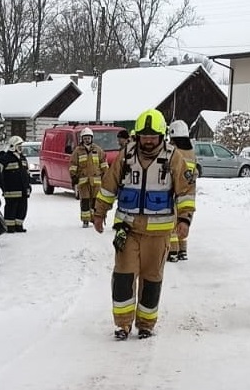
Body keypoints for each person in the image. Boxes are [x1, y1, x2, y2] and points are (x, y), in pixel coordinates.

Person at [93, 109, 196, 340]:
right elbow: (109, 185)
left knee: (152, 279)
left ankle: (146, 324)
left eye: (153, 136)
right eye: (144, 136)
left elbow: (186, 191)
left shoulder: (173, 157)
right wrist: (99, 213)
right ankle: (122, 324)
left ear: (162, 136)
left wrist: (184, 219)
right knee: (123, 276)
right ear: (137, 135)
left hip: (158, 235)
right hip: (127, 229)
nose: (148, 140)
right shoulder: (126, 155)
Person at [167, 120, 198, 262]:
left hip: (175, 190)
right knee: (183, 220)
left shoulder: (174, 152)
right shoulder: (191, 152)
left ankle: (172, 252)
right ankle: (182, 251)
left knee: (172, 222)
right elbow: (195, 171)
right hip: (189, 192)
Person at [69, 127, 109, 228]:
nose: (87, 140)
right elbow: (73, 165)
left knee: (96, 202)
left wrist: (106, 175)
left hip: (96, 181)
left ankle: (94, 219)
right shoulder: (77, 151)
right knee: (85, 201)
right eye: (85, 138)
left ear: (92, 138)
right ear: (82, 139)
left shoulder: (98, 150)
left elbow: (103, 164)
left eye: (88, 138)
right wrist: (73, 176)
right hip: (83, 181)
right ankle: (85, 220)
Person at [0, 135, 31, 233]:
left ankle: (19, 225)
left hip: (23, 190)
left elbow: (26, 174)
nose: (21, 148)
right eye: (19, 146)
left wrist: (28, 186)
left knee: (22, 209)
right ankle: (10, 227)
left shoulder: (22, 158)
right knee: (11, 208)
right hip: (11, 190)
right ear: (13, 146)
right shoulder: (6, 158)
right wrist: (3, 187)